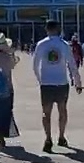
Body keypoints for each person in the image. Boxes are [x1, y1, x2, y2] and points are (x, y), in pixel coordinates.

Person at [33, 19, 80, 153]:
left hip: (46, 83)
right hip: (61, 82)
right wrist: (77, 81)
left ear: (46, 29)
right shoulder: (64, 45)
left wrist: (40, 79)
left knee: (46, 113)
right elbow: (72, 65)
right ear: (58, 29)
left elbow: (35, 65)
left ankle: (48, 138)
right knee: (62, 111)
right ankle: (61, 136)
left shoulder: (41, 44)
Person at [0, 33, 20, 150]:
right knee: (6, 113)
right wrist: (11, 52)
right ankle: (3, 136)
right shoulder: (8, 57)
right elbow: (15, 62)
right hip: (8, 89)